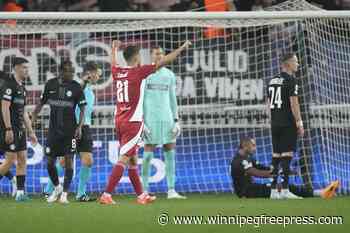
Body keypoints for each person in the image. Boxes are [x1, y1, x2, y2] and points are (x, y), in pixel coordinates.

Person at [99, 40, 191, 205]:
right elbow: (165, 60)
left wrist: (113, 49)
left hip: (119, 120)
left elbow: (113, 63)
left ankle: (142, 195)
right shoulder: (139, 72)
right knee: (124, 159)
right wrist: (182, 48)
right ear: (137, 58)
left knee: (133, 160)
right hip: (133, 122)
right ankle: (107, 194)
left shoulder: (118, 72)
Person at [43, 61, 100, 202]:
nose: (99, 75)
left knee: (88, 161)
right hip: (71, 128)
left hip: (84, 128)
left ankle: (81, 194)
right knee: (63, 162)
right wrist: (84, 81)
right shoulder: (77, 86)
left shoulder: (90, 90)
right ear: (90, 73)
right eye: (97, 73)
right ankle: (48, 190)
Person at [32, 59, 86, 204]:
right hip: (53, 132)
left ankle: (65, 194)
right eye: (69, 71)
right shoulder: (50, 84)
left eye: (73, 71)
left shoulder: (76, 87)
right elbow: (41, 102)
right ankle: (57, 188)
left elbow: (82, 108)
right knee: (49, 162)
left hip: (70, 132)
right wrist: (34, 117)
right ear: (61, 71)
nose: (72, 73)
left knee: (69, 162)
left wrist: (79, 126)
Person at [141, 46, 185, 199]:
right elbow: (139, 100)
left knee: (170, 153)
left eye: (161, 53)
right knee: (147, 156)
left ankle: (171, 190)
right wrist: (142, 122)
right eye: (156, 53)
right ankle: (144, 190)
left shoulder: (169, 75)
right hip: (150, 119)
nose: (159, 56)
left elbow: (173, 99)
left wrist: (176, 120)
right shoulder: (145, 74)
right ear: (151, 56)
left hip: (167, 118)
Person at [231, 138, 340, 199]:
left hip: (253, 188)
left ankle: (321, 193)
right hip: (247, 192)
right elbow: (257, 173)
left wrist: (283, 170)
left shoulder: (248, 158)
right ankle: (317, 194)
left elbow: (263, 167)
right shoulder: (239, 160)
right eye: (253, 145)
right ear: (245, 146)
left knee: (286, 186)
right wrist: (274, 173)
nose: (255, 148)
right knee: (281, 188)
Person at [267, 52, 304, 199]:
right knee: (287, 156)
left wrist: (272, 121)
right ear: (288, 64)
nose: (298, 64)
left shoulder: (272, 80)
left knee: (276, 156)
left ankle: (273, 191)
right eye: (295, 61)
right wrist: (299, 123)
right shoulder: (291, 80)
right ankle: (286, 189)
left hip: (275, 123)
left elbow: (268, 104)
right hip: (287, 123)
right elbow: (294, 103)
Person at [0, 57, 37, 201]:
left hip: (20, 130)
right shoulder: (9, 86)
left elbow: (24, 112)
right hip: (10, 129)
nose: (27, 70)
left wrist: (31, 132)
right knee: (10, 161)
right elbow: (4, 107)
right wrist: (8, 128)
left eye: (27, 67)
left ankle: (20, 194)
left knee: (22, 159)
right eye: (24, 67)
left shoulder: (23, 88)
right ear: (16, 68)